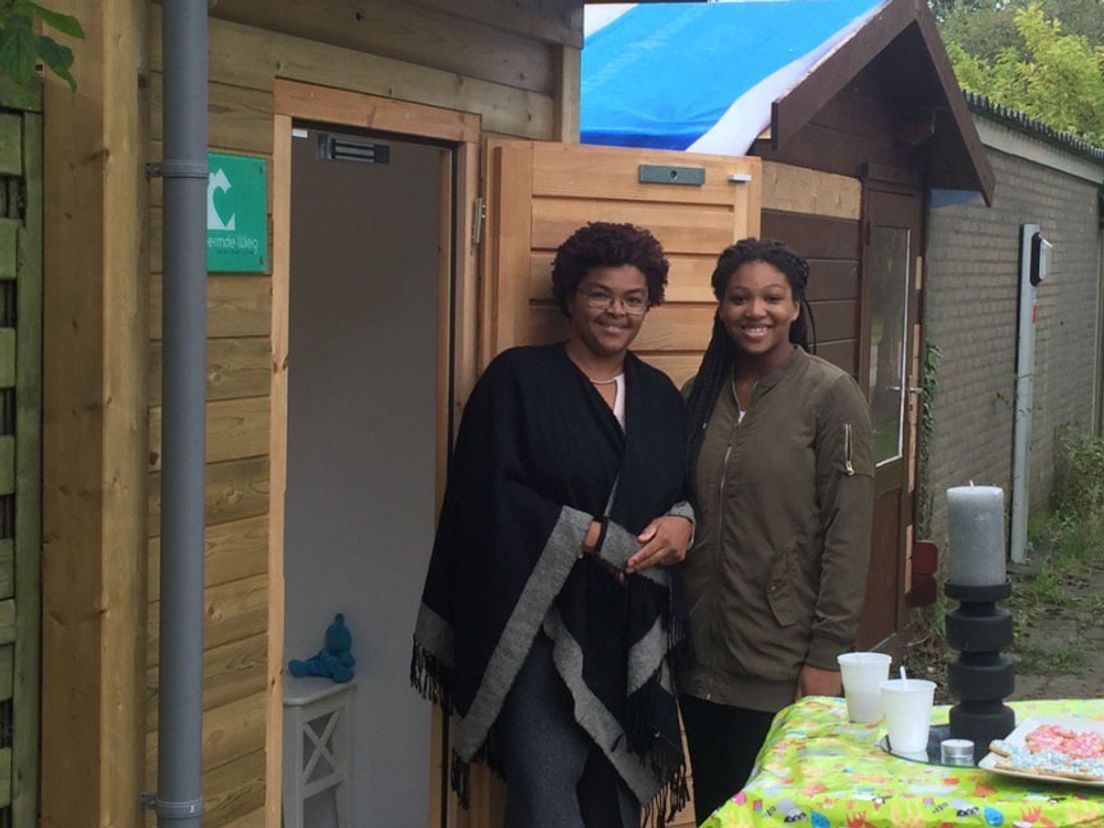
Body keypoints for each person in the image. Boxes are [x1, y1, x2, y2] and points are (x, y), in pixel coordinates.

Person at [412, 221, 694, 828]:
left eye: (633, 298)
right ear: (570, 296)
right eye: (599, 293)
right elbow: (488, 494)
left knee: (617, 793)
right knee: (545, 798)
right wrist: (596, 538)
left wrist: (682, 525)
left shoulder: (660, 395)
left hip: (627, 627)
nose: (616, 311)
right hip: (539, 630)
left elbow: (680, 490)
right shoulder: (517, 380)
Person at [678, 238, 874, 820]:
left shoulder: (831, 396)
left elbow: (848, 535)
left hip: (781, 663)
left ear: (794, 306)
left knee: (778, 813)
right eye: (739, 298)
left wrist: (825, 656)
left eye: (771, 297)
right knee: (717, 809)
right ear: (720, 307)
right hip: (697, 661)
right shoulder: (698, 396)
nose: (754, 311)